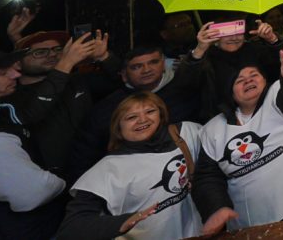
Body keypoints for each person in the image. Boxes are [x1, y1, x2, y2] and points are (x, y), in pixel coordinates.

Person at [193, 47, 283, 233]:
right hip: (247, 219)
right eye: (240, 80)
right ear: (230, 92)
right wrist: (216, 208)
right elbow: (207, 177)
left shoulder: (276, 96)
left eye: (254, 75)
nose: (248, 80)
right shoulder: (212, 130)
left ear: (265, 80)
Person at [59, 93, 202, 240]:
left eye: (150, 111)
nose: (142, 119)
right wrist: (120, 223)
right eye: (131, 117)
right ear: (117, 126)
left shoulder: (185, 133)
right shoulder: (108, 169)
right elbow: (71, 228)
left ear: (161, 114)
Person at [67, 45, 203, 182]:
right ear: (124, 75)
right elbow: (84, 155)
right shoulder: (107, 108)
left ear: (163, 65)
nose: (147, 70)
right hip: (131, 183)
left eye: (153, 62)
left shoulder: (185, 92)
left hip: (189, 177)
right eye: (137, 67)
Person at [13, 30, 116, 181]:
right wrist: (66, 63)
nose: (52, 55)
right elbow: (33, 112)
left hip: (94, 172)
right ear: (17, 62)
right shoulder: (11, 95)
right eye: (40, 52)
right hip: (48, 183)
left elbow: (125, 81)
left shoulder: (77, 81)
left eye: (57, 49)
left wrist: (104, 57)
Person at [0, 49, 67, 240]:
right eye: (3, 73)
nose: (16, 74)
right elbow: (33, 190)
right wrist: (64, 184)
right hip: (24, 229)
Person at [179, 16, 283, 121]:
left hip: (268, 111)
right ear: (214, 34)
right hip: (222, 122)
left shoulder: (256, 50)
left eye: (238, 31)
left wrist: (272, 39)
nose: (234, 38)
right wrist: (199, 50)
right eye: (227, 33)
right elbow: (185, 84)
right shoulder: (204, 58)